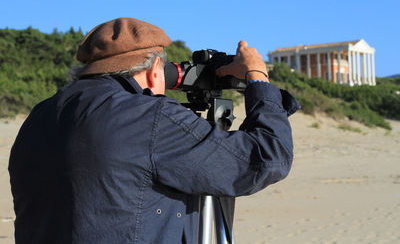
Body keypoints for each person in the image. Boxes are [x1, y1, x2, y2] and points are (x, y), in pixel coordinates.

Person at [9, 17, 300, 244]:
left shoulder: (41, 116)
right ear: (153, 69)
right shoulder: (149, 118)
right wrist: (258, 77)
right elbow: (267, 157)